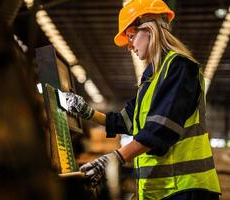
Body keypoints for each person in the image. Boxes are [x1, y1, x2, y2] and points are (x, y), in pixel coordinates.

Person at [65, 0, 221, 199]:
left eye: (131, 36)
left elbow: (161, 129)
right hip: (165, 191)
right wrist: (87, 112)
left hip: (187, 189)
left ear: (149, 29)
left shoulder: (180, 68)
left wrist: (114, 158)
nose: (129, 46)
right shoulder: (151, 78)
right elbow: (127, 120)